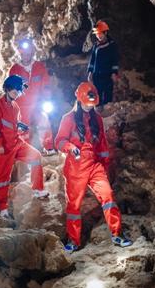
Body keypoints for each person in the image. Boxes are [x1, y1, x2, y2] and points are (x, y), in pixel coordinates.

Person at [55, 81, 132, 251]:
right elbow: (59, 141)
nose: (90, 107)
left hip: (94, 166)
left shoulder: (97, 119)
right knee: (74, 206)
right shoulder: (68, 119)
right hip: (76, 167)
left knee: (108, 197)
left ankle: (117, 234)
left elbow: (102, 145)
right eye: (87, 104)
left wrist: (105, 165)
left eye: (92, 104)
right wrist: (70, 147)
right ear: (80, 100)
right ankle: (73, 241)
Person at [0, 74, 49, 217]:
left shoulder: (15, 107)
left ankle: (38, 189)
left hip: (16, 143)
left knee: (36, 156)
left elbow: (13, 125)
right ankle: (2, 208)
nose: (16, 94)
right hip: (4, 147)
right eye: (14, 91)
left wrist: (20, 127)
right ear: (7, 89)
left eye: (18, 92)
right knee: (3, 178)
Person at [9, 37, 54, 152]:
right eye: (24, 54)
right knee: (23, 129)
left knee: (44, 122)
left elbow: (46, 84)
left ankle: (48, 148)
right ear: (21, 53)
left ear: (32, 53)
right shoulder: (15, 69)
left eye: (29, 53)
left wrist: (46, 98)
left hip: (38, 102)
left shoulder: (39, 66)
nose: (27, 56)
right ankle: (25, 151)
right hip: (22, 105)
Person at [87, 20, 119, 106]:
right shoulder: (96, 45)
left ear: (105, 33)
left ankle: (108, 114)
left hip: (107, 75)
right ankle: (98, 114)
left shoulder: (112, 45)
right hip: (97, 75)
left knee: (108, 95)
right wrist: (90, 72)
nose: (98, 36)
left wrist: (114, 73)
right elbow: (92, 59)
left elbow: (115, 60)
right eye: (97, 34)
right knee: (97, 95)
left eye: (100, 33)